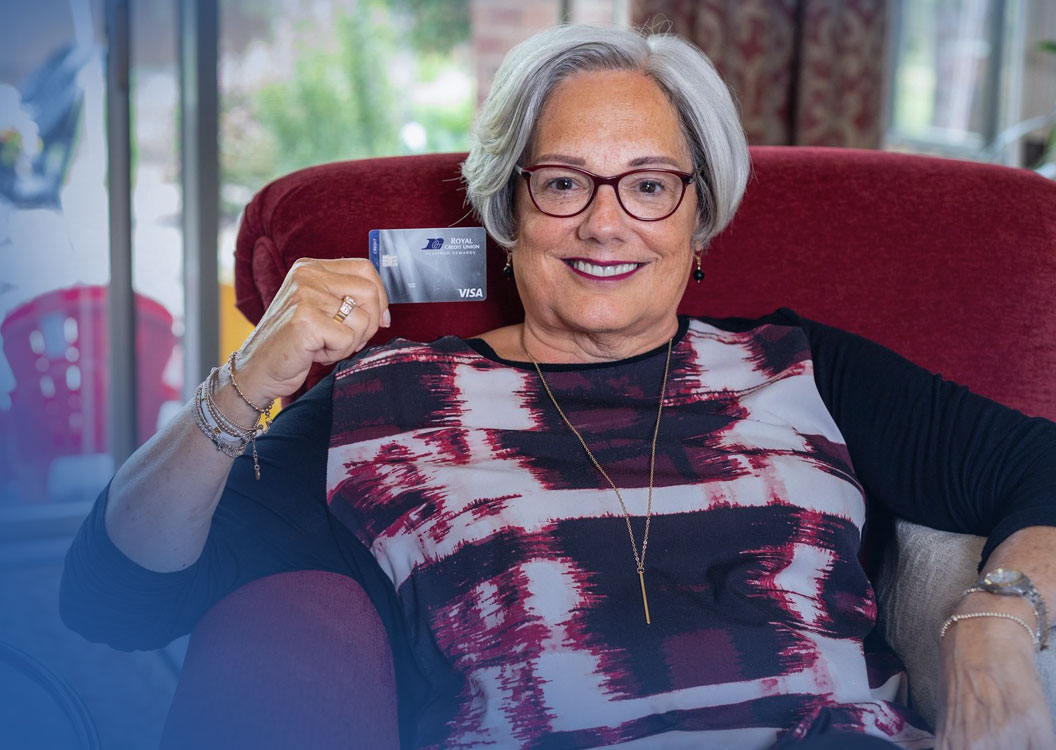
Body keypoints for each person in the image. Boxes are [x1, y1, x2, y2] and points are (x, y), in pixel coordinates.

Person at [60, 24, 1056, 750]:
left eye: (650, 184)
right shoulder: (390, 400)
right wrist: (241, 387)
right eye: (563, 181)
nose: (606, 224)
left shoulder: (799, 368)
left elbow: (1041, 471)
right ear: (505, 207)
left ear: (699, 218)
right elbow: (115, 596)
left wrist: (998, 617)